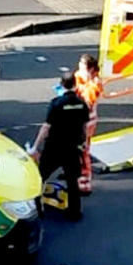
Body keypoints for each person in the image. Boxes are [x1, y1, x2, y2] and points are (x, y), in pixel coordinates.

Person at [30, 71, 90, 221]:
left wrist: (35, 146)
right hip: (72, 148)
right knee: (72, 181)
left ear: (62, 85)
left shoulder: (56, 103)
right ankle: (74, 212)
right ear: (75, 85)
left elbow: (46, 127)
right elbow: (84, 126)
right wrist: (84, 143)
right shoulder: (82, 104)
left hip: (54, 147)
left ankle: (35, 208)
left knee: (40, 176)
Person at [74, 54, 103, 194]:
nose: (80, 69)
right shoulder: (80, 77)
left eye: (83, 67)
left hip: (87, 121)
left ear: (91, 70)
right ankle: (75, 173)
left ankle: (85, 181)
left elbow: (88, 103)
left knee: (83, 149)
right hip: (77, 119)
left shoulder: (95, 85)